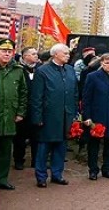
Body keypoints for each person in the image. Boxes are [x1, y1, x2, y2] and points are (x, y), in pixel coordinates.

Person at [31, 43, 78, 188]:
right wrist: (37, 117)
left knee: (61, 147)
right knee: (44, 148)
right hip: (49, 116)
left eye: (68, 53)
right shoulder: (42, 71)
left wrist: (74, 112)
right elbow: (36, 96)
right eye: (65, 53)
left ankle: (57, 174)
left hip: (66, 116)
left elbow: (75, 93)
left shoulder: (70, 70)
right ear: (55, 54)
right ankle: (41, 176)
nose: (68, 55)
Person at [82, 53, 109, 180]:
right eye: (106, 63)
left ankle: (107, 168)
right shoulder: (92, 76)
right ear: (101, 63)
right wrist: (87, 116)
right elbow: (86, 98)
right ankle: (93, 170)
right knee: (94, 144)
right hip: (97, 116)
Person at [0, 39, 28, 190]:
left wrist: (21, 112)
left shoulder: (18, 70)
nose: (6, 54)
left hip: (9, 117)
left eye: (9, 51)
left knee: (5, 151)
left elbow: (23, 93)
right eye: (3, 50)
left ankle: (2, 179)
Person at [13, 46, 40, 171]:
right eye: (33, 53)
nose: (36, 55)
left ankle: (36, 160)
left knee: (37, 136)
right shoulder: (18, 70)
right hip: (22, 109)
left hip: (36, 109)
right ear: (25, 56)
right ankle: (19, 160)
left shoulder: (40, 70)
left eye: (36, 53)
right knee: (20, 137)